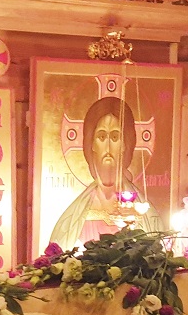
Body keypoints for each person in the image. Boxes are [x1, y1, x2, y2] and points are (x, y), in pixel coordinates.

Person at [48, 96, 162, 248]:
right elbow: (59, 253)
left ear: (125, 144)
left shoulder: (146, 214)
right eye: (101, 136)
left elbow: (157, 251)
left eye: (115, 137)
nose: (108, 145)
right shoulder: (73, 217)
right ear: (91, 143)